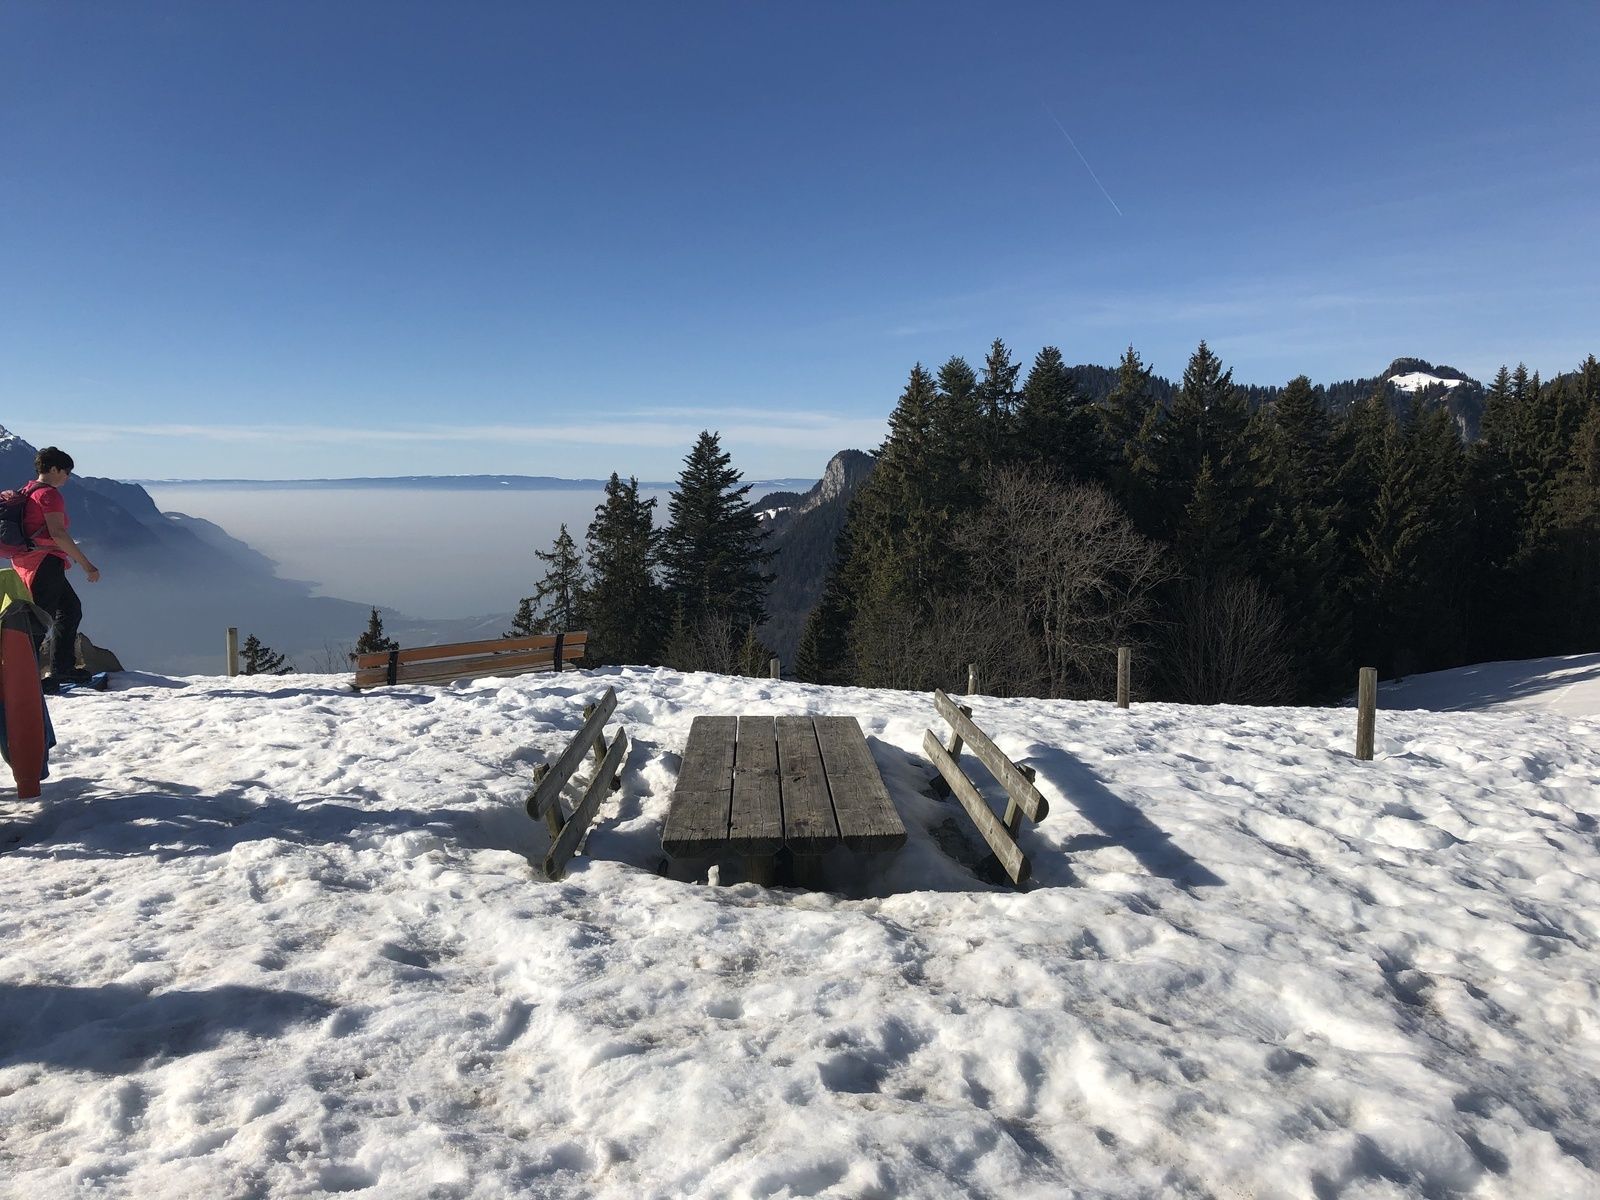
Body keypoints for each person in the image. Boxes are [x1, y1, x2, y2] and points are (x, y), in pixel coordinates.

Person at [11, 447, 101, 689]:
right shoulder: (49, 495)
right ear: (53, 469)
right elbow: (58, 534)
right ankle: (25, 680)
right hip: (44, 563)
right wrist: (87, 565)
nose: (68, 477)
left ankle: (61, 669)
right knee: (40, 620)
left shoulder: (27, 490)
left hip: (29, 562)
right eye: (66, 471)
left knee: (70, 609)